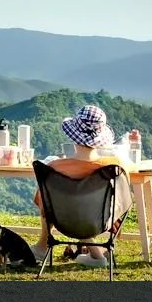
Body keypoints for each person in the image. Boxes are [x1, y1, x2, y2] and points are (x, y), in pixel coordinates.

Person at [34, 104, 135, 267]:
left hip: (64, 221)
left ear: (73, 137)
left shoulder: (54, 167)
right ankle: (99, 254)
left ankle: (42, 247)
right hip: (100, 222)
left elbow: (44, 204)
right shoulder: (114, 167)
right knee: (86, 208)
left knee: (64, 205)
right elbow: (125, 201)